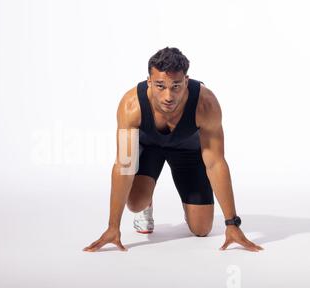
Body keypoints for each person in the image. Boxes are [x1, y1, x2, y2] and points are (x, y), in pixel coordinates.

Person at [83, 47, 263, 252]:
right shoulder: (131, 106)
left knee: (202, 229)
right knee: (135, 203)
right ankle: (146, 202)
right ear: (149, 81)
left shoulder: (206, 104)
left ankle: (191, 207)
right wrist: (112, 227)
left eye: (176, 86)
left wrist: (232, 224)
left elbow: (215, 163)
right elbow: (124, 165)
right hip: (150, 147)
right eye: (160, 85)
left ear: (186, 81)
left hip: (187, 150)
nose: (168, 95)